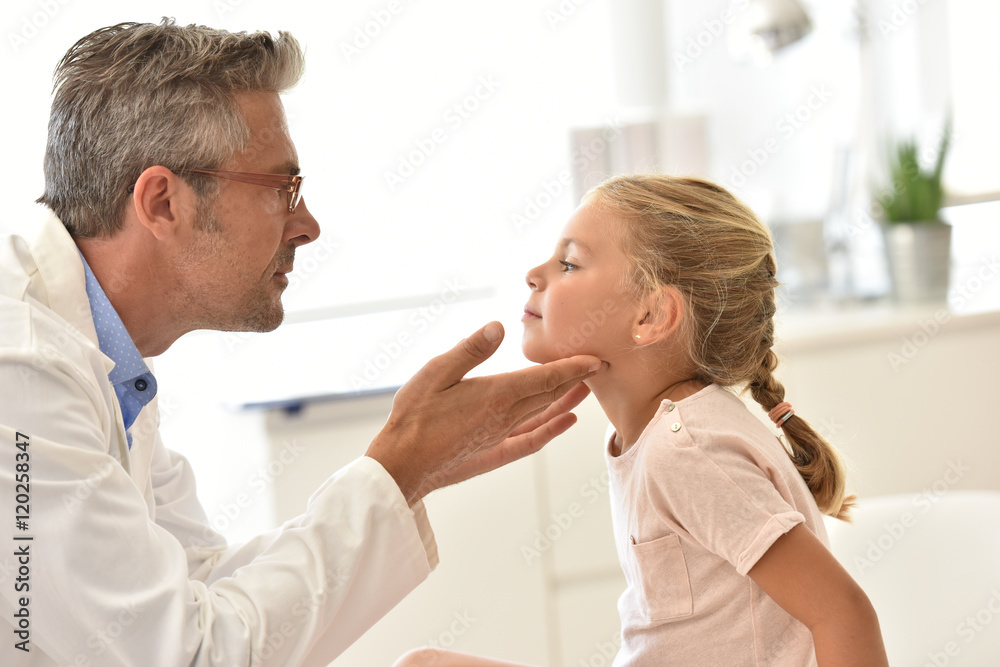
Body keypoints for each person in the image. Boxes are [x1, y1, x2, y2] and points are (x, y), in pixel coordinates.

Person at [0, 19, 605, 667]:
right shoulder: (22, 368)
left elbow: (198, 585)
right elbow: (189, 653)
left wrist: (405, 476)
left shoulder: (108, 356)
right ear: (162, 202)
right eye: (281, 189)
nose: (308, 224)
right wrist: (396, 469)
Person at [394, 175, 889, 666]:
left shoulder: (689, 450)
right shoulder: (664, 434)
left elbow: (844, 614)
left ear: (651, 316)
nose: (534, 273)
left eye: (568, 263)